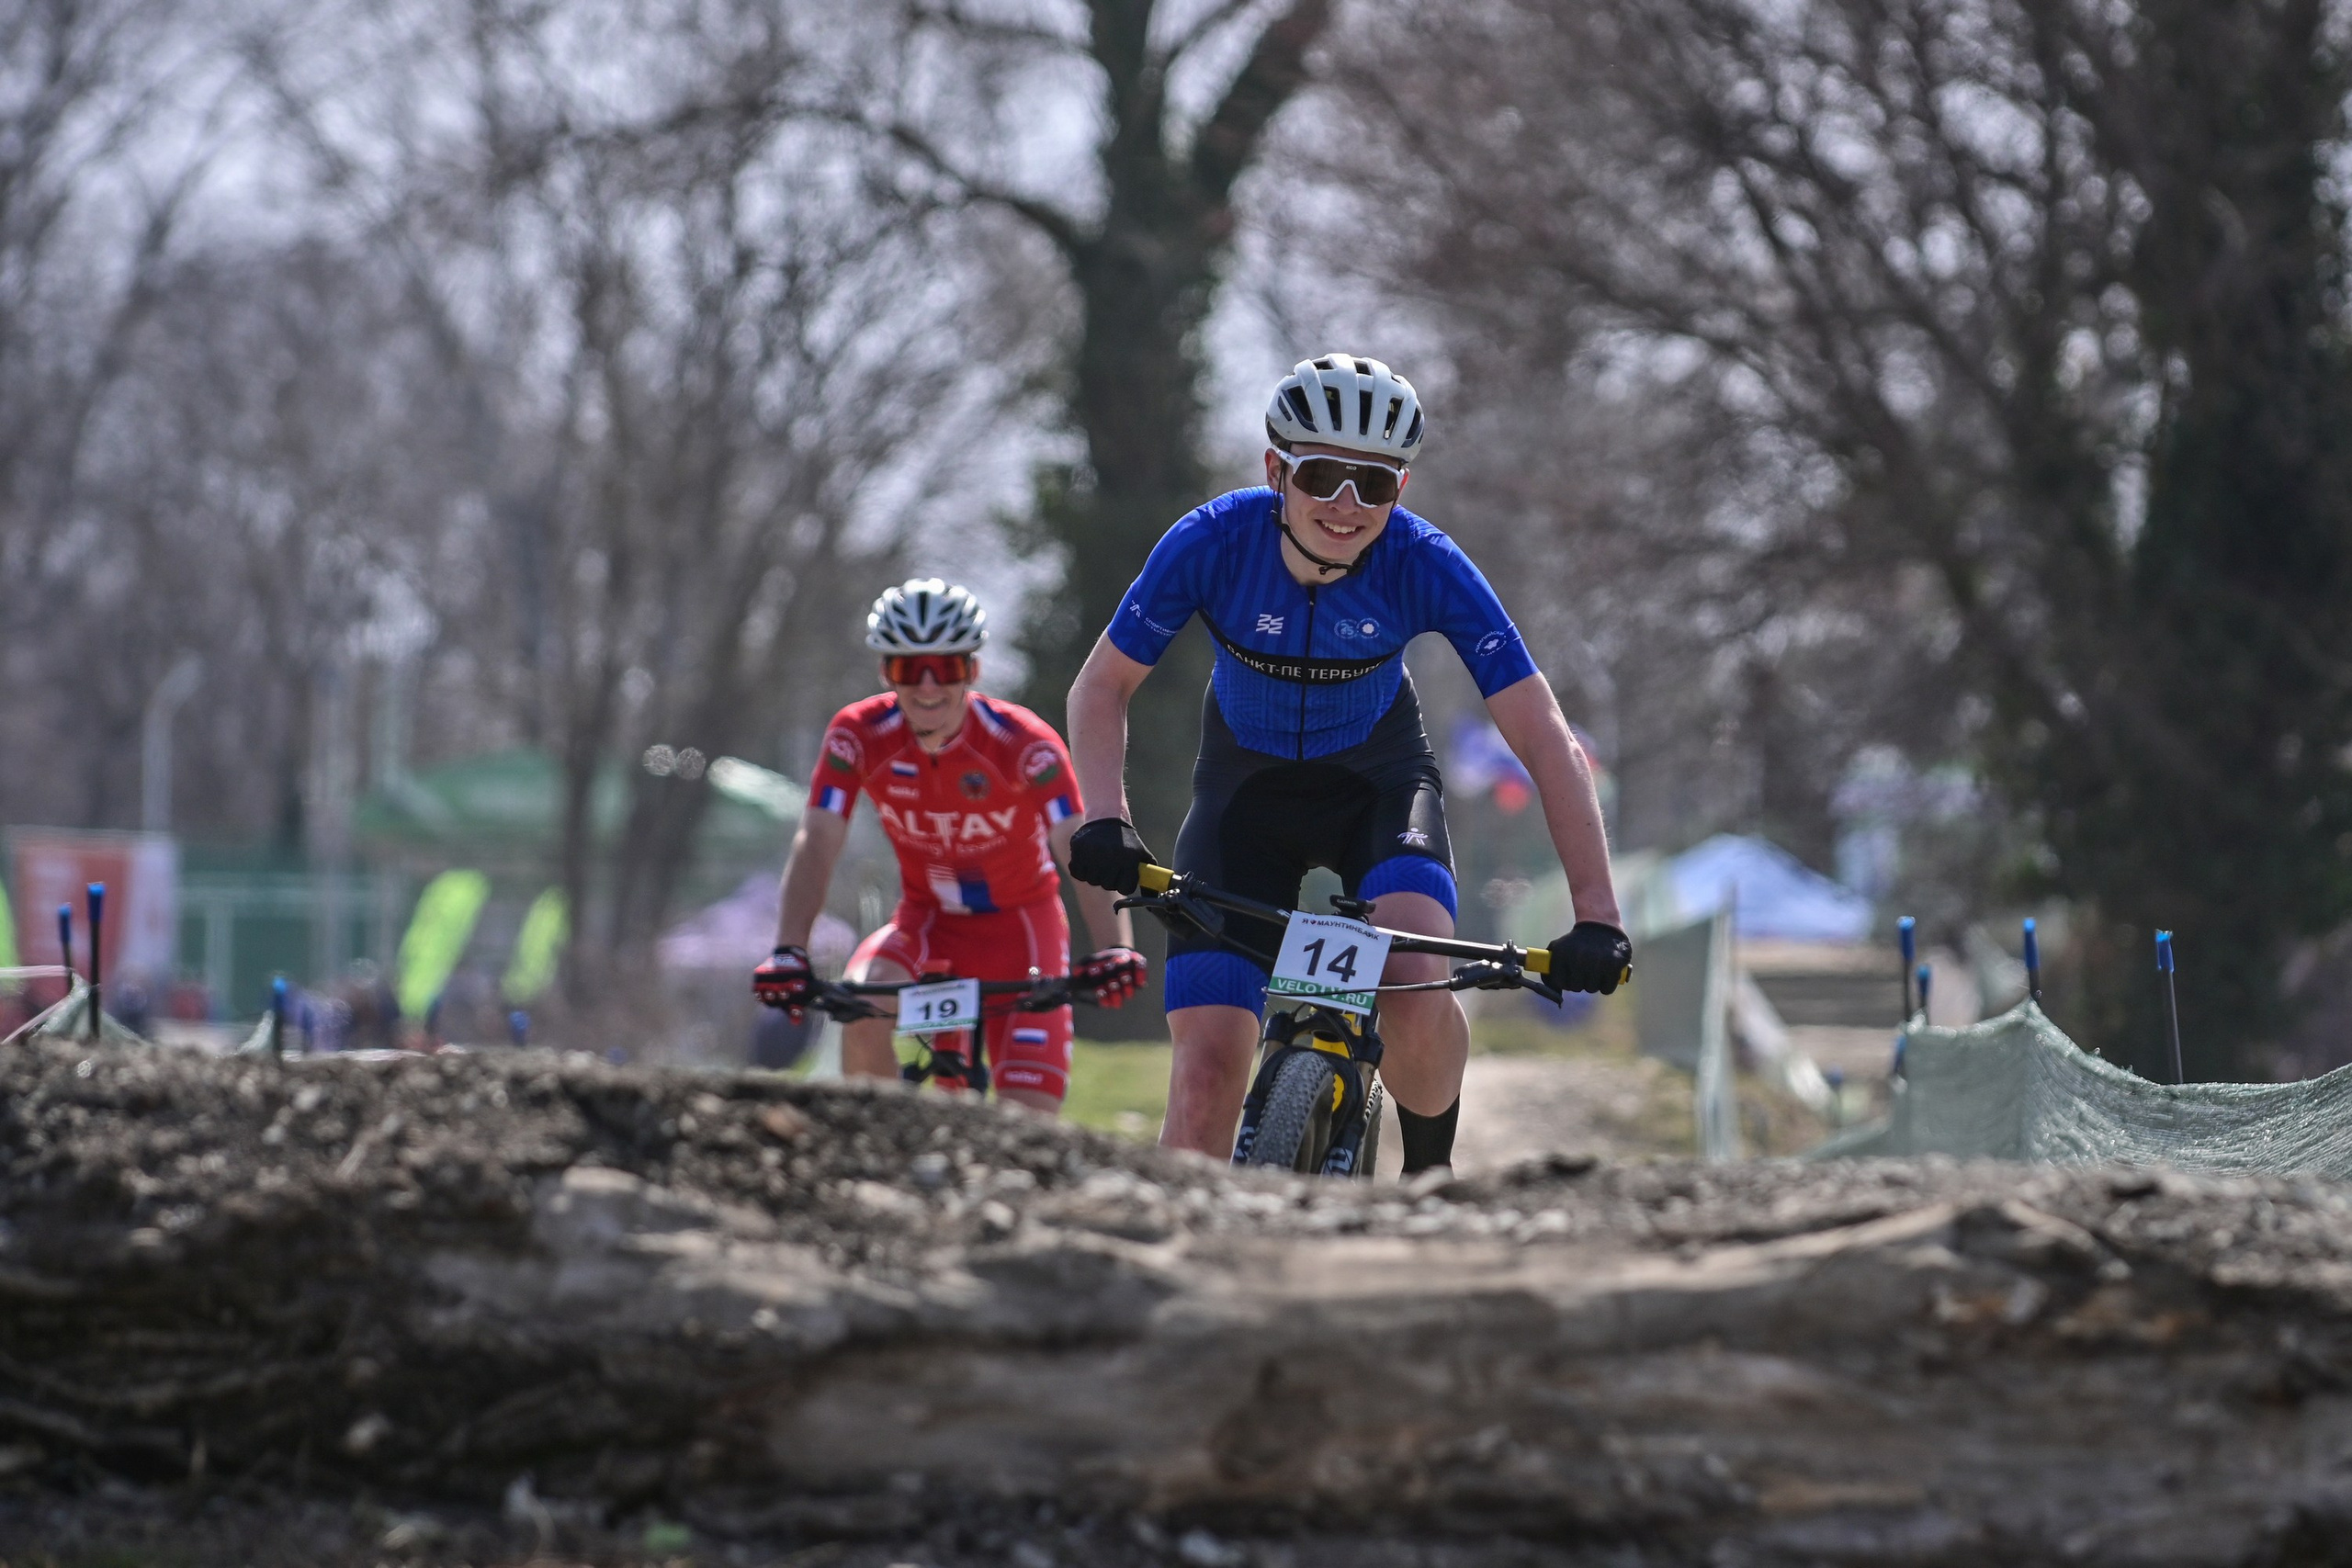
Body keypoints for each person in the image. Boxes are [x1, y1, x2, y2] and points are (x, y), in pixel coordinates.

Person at [1062, 353, 1631, 1173]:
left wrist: (1599, 914)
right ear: (1275, 470)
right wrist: (1106, 820)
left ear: (1400, 492)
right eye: (1322, 474)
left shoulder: (1423, 560)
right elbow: (1101, 687)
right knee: (1205, 1073)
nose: (1345, 504)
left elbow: (1543, 734)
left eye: (1374, 483)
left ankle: (1430, 1175)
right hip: (1243, 799)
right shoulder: (1213, 541)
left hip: (1380, 787)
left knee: (1412, 982)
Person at [754, 580, 1147, 1111]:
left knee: (1027, 1129)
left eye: (948, 667)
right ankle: (880, 1154)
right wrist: (788, 950)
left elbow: (1077, 847)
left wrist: (1112, 947)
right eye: (909, 670)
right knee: (862, 1001)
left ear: (973, 670)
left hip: (1022, 934)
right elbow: (819, 838)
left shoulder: (1023, 742)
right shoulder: (857, 735)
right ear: (884, 672)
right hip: (925, 926)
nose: (929, 687)